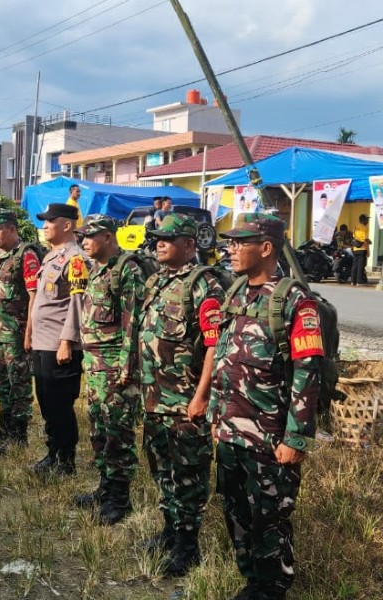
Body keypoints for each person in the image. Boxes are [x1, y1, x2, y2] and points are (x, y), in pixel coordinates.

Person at [208, 213, 323, 600]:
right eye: (231, 242)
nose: (232, 248)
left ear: (267, 248)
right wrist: (215, 416)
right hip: (229, 432)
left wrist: (296, 438)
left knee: (269, 518)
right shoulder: (236, 293)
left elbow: (308, 372)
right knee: (236, 510)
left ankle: (273, 587)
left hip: (270, 439)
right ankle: (252, 580)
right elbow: (224, 357)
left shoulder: (295, 301)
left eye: (241, 243)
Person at [139, 214, 224, 576]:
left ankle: (188, 546)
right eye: (157, 237)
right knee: (162, 471)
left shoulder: (203, 285)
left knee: (188, 476)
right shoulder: (157, 281)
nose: (159, 243)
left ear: (189, 245)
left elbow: (213, 346)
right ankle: (170, 531)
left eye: (168, 239)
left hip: (184, 402)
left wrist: (201, 397)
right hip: (155, 398)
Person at [73, 214, 145, 525]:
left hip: (116, 367)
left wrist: (128, 365)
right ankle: (104, 487)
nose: (84, 242)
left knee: (118, 433)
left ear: (107, 237)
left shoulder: (126, 269)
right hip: (96, 367)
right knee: (99, 430)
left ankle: (120, 498)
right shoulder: (96, 270)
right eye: (82, 237)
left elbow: (133, 320)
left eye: (90, 236)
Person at [30, 203, 89, 476]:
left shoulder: (75, 259)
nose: (44, 226)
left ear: (67, 225)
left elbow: (77, 304)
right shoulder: (51, 256)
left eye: (49, 221)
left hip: (59, 345)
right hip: (43, 343)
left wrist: (67, 341)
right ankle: (53, 453)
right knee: (46, 402)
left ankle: (66, 461)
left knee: (60, 406)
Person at [0, 208, 40, 455]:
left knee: (19, 386)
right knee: (2, 385)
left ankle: (19, 435)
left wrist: (29, 334)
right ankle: (4, 429)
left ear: (12, 229)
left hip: (16, 336)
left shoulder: (25, 256)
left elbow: (34, 297)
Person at [351, 214, 371, 286]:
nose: (368, 221)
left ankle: (352, 281)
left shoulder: (355, 227)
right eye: (367, 219)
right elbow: (365, 239)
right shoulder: (365, 227)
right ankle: (359, 282)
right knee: (360, 266)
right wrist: (368, 249)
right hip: (362, 248)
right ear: (363, 220)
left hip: (355, 248)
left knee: (354, 265)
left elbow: (354, 236)